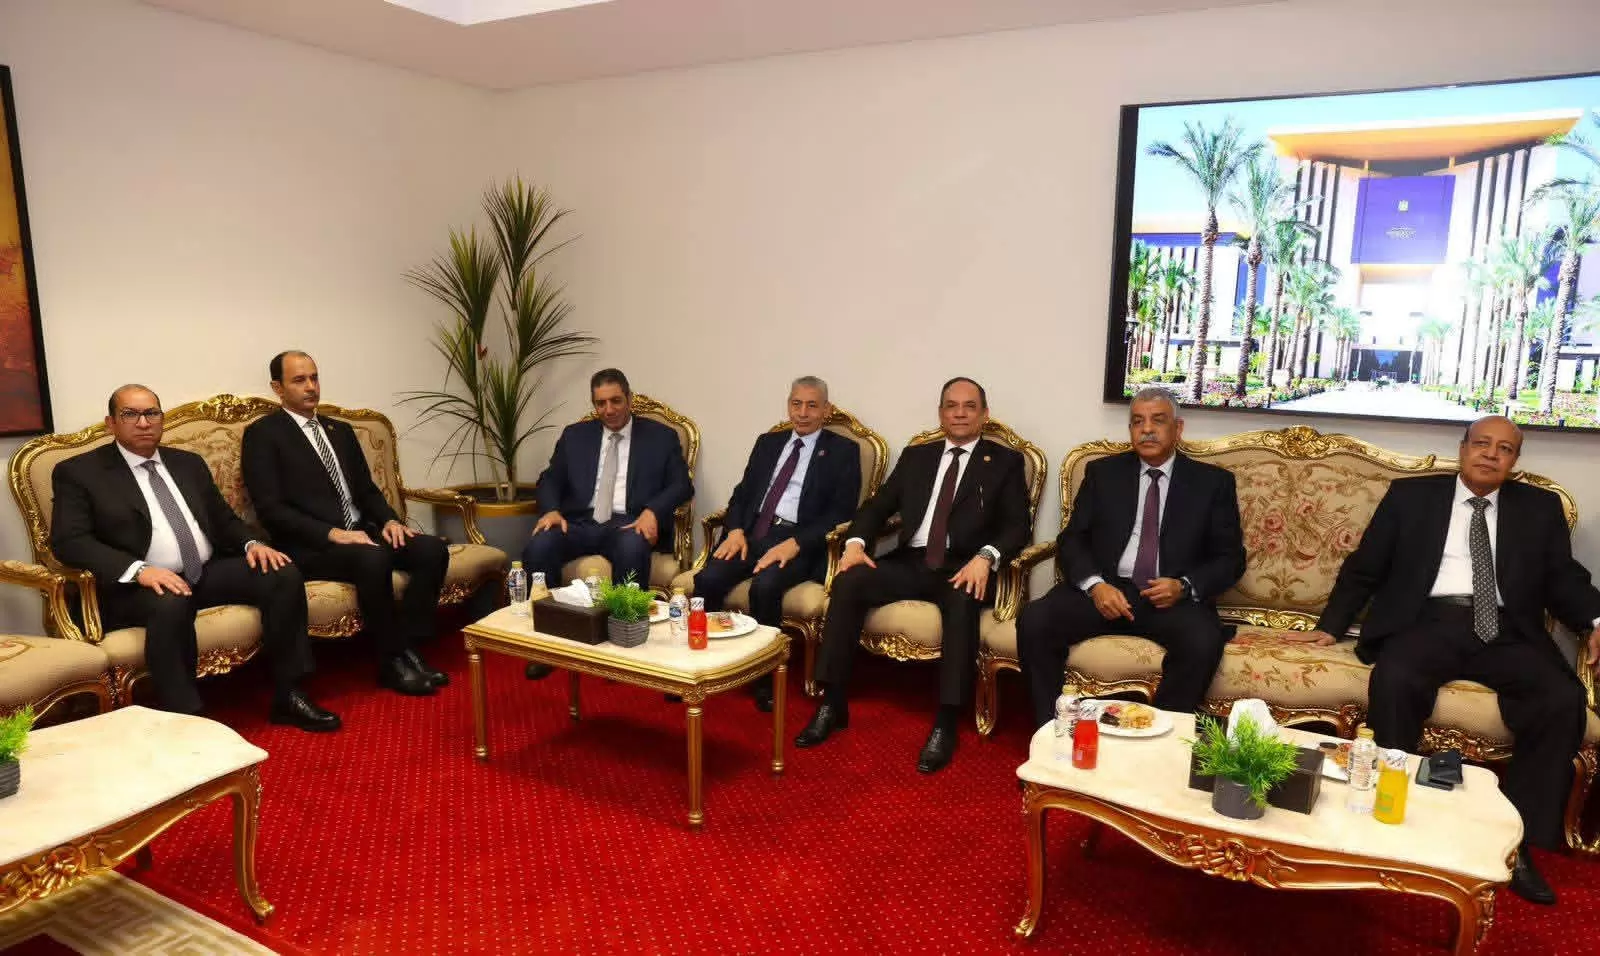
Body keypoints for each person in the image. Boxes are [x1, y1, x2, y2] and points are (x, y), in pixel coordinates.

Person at [1288, 416, 1600, 906]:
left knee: (1561, 699)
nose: (1490, 454)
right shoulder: (1412, 496)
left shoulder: (1539, 508)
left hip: (1507, 630)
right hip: (1428, 621)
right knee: (1395, 678)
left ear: (1515, 460)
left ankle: (1513, 844)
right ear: (1463, 448)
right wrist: (1330, 627)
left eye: (1504, 449)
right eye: (1482, 444)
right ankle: (1391, 815)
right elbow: (1365, 566)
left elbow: (1563, 577)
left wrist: (1596, 620)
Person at [50, 384, 339, 731]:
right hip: (138, 587)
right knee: (171, 602)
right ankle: (187, 719)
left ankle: (290, 694)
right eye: (130, 414)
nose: (143, 422)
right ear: (111, 423)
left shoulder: (187, 463)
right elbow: (70, 541)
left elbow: (223, 520)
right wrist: (139, 570)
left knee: (280, 573)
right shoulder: (80, 472)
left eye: (151, 413)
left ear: (162, 419)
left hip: (202, 572)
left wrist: (251, 544)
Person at [795, 377, 1030, 774]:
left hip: (963, 567)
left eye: (969, 406)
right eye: (951, 406)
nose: (959, 413)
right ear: (940, 413)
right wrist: (856, 543)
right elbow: (877, 507)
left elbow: (1017, 526)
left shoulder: (1004, 462)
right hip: (912, 561)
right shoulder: (917, 456)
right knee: (850, 581)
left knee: (962, 602)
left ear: (984, 415)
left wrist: (986, 557)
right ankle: (832, 703)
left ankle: (946, 721)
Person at [1016, 387, 1245, 729]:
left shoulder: (1212, 483)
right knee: (1035, 619)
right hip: (1107, 591)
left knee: (1202, 641)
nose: (1147, 429)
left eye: (1158, 420)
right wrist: (1095, 586)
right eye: (1138, 421)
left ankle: (1162, 735)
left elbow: (1230, 558)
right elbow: (1072, 539)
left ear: (1178, 428)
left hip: (1169, 598)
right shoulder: (1102, 473)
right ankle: (1052, 729)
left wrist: (1184, 586)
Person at [241, 351, 448, 697]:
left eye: (314, 377)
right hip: (311, 544)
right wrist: (333, 533)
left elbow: (366, 490)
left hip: (361, 532)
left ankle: (408, 646)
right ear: (277, 387)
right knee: (373, 558)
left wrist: (389, 520)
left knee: (431, 550)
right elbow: (271, 510)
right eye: (299, 380)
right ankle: (390, 663)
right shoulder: (263, 435)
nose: (311, 386)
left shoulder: (340, 430)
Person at [691, 376, 861, 711]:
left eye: (812, 405)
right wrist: (735, 530)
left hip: (798, 541)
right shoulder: (768, 443)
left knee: (765, 587)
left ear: (826, 410)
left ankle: (764, 677)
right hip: (752, 533)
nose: (802, 413)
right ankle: (703, 666)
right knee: (707, 579)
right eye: (796, 404)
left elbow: (841, 513)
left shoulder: (844, 451)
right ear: (788, 405)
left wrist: (796, 543)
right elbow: (742, 494)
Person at [522, 368, 692, 679]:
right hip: (579, 521)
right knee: (540, 545)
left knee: (632, 547)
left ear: (629, 399)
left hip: (628, 522)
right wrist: (551, 509)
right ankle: (547, 642)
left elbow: (681, 485)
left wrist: (653, 511)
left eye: (616, 401)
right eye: (601, 403)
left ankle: (625, 643)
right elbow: (549, 478)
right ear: (594, 404)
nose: (609, 410)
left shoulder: (660, 437)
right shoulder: (575, 435)